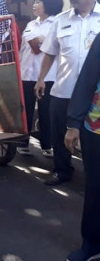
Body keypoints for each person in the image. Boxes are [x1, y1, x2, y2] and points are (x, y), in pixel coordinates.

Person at [35, 0, 100, 186]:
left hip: (94, 96)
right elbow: (50, 53)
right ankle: (62, 170)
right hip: (64, 89)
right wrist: (41, 79)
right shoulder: (61, 21)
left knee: (93, 137)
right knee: (60, 133)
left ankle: (93, 176)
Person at [64, 32, 100, 261]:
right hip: (96, 128)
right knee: (96, 189)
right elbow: (87, 78)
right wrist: (74, 124)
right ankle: (93, 243)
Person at [16, 0, 63, 157]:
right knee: (25, 110)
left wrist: (46, 40)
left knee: (45, 111)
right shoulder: (30, 25)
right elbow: (22, 51)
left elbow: (60, 50)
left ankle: (46, 144)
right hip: (27, 75)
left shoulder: (57, 24)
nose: (34, 5)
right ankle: (23, 142)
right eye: (34, 2)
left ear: (48, 4)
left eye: (38, 2)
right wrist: (19, 70)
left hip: (48, 77)